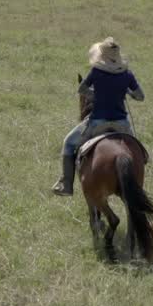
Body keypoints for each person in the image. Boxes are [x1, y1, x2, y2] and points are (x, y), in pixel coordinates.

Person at [52, 37, 145, 196]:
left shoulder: (96, 72)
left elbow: (82, 90)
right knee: (139, 153)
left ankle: (66, 184)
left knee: (68, 143)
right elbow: (140, 96)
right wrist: (126, 92)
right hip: (121, 124)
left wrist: (97, 95)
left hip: (97, 122)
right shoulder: (127, 74)